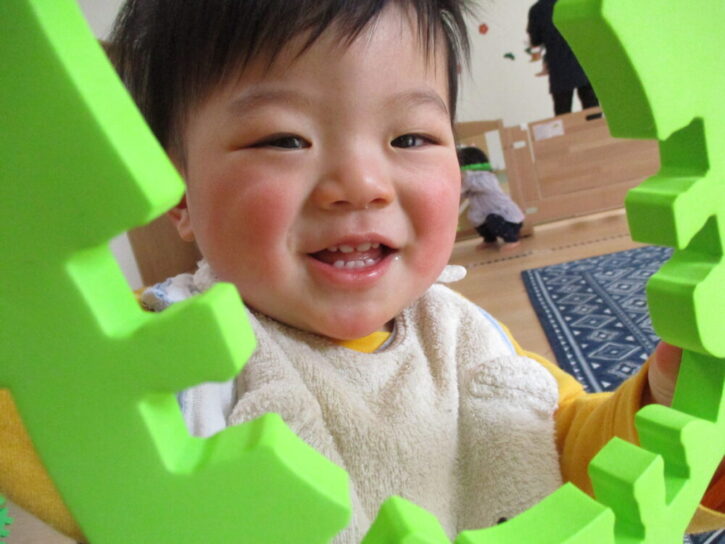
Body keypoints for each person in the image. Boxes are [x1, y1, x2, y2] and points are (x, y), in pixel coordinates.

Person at [2, 1, 723, 542]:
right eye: (284, 139)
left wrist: (664, 406)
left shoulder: (471, 341)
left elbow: (569, 452)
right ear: (179, 193)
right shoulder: (160, 355)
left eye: (409, 137)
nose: (361, 184)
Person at [527, 0, 600, 115]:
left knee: (563, 115)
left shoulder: (537, 10)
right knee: (593, 111)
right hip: (585, 64)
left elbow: (535, 40)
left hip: (559, 68)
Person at [458, 146, 525, 250]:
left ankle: (512, 239)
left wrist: (464, 178)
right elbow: (463, 192)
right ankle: (490, 240)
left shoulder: (487, 177)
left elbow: (477, 185)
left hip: (507, 219)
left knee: (493, 219)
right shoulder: (469, 181)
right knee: (475, 218)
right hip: (485, 215)